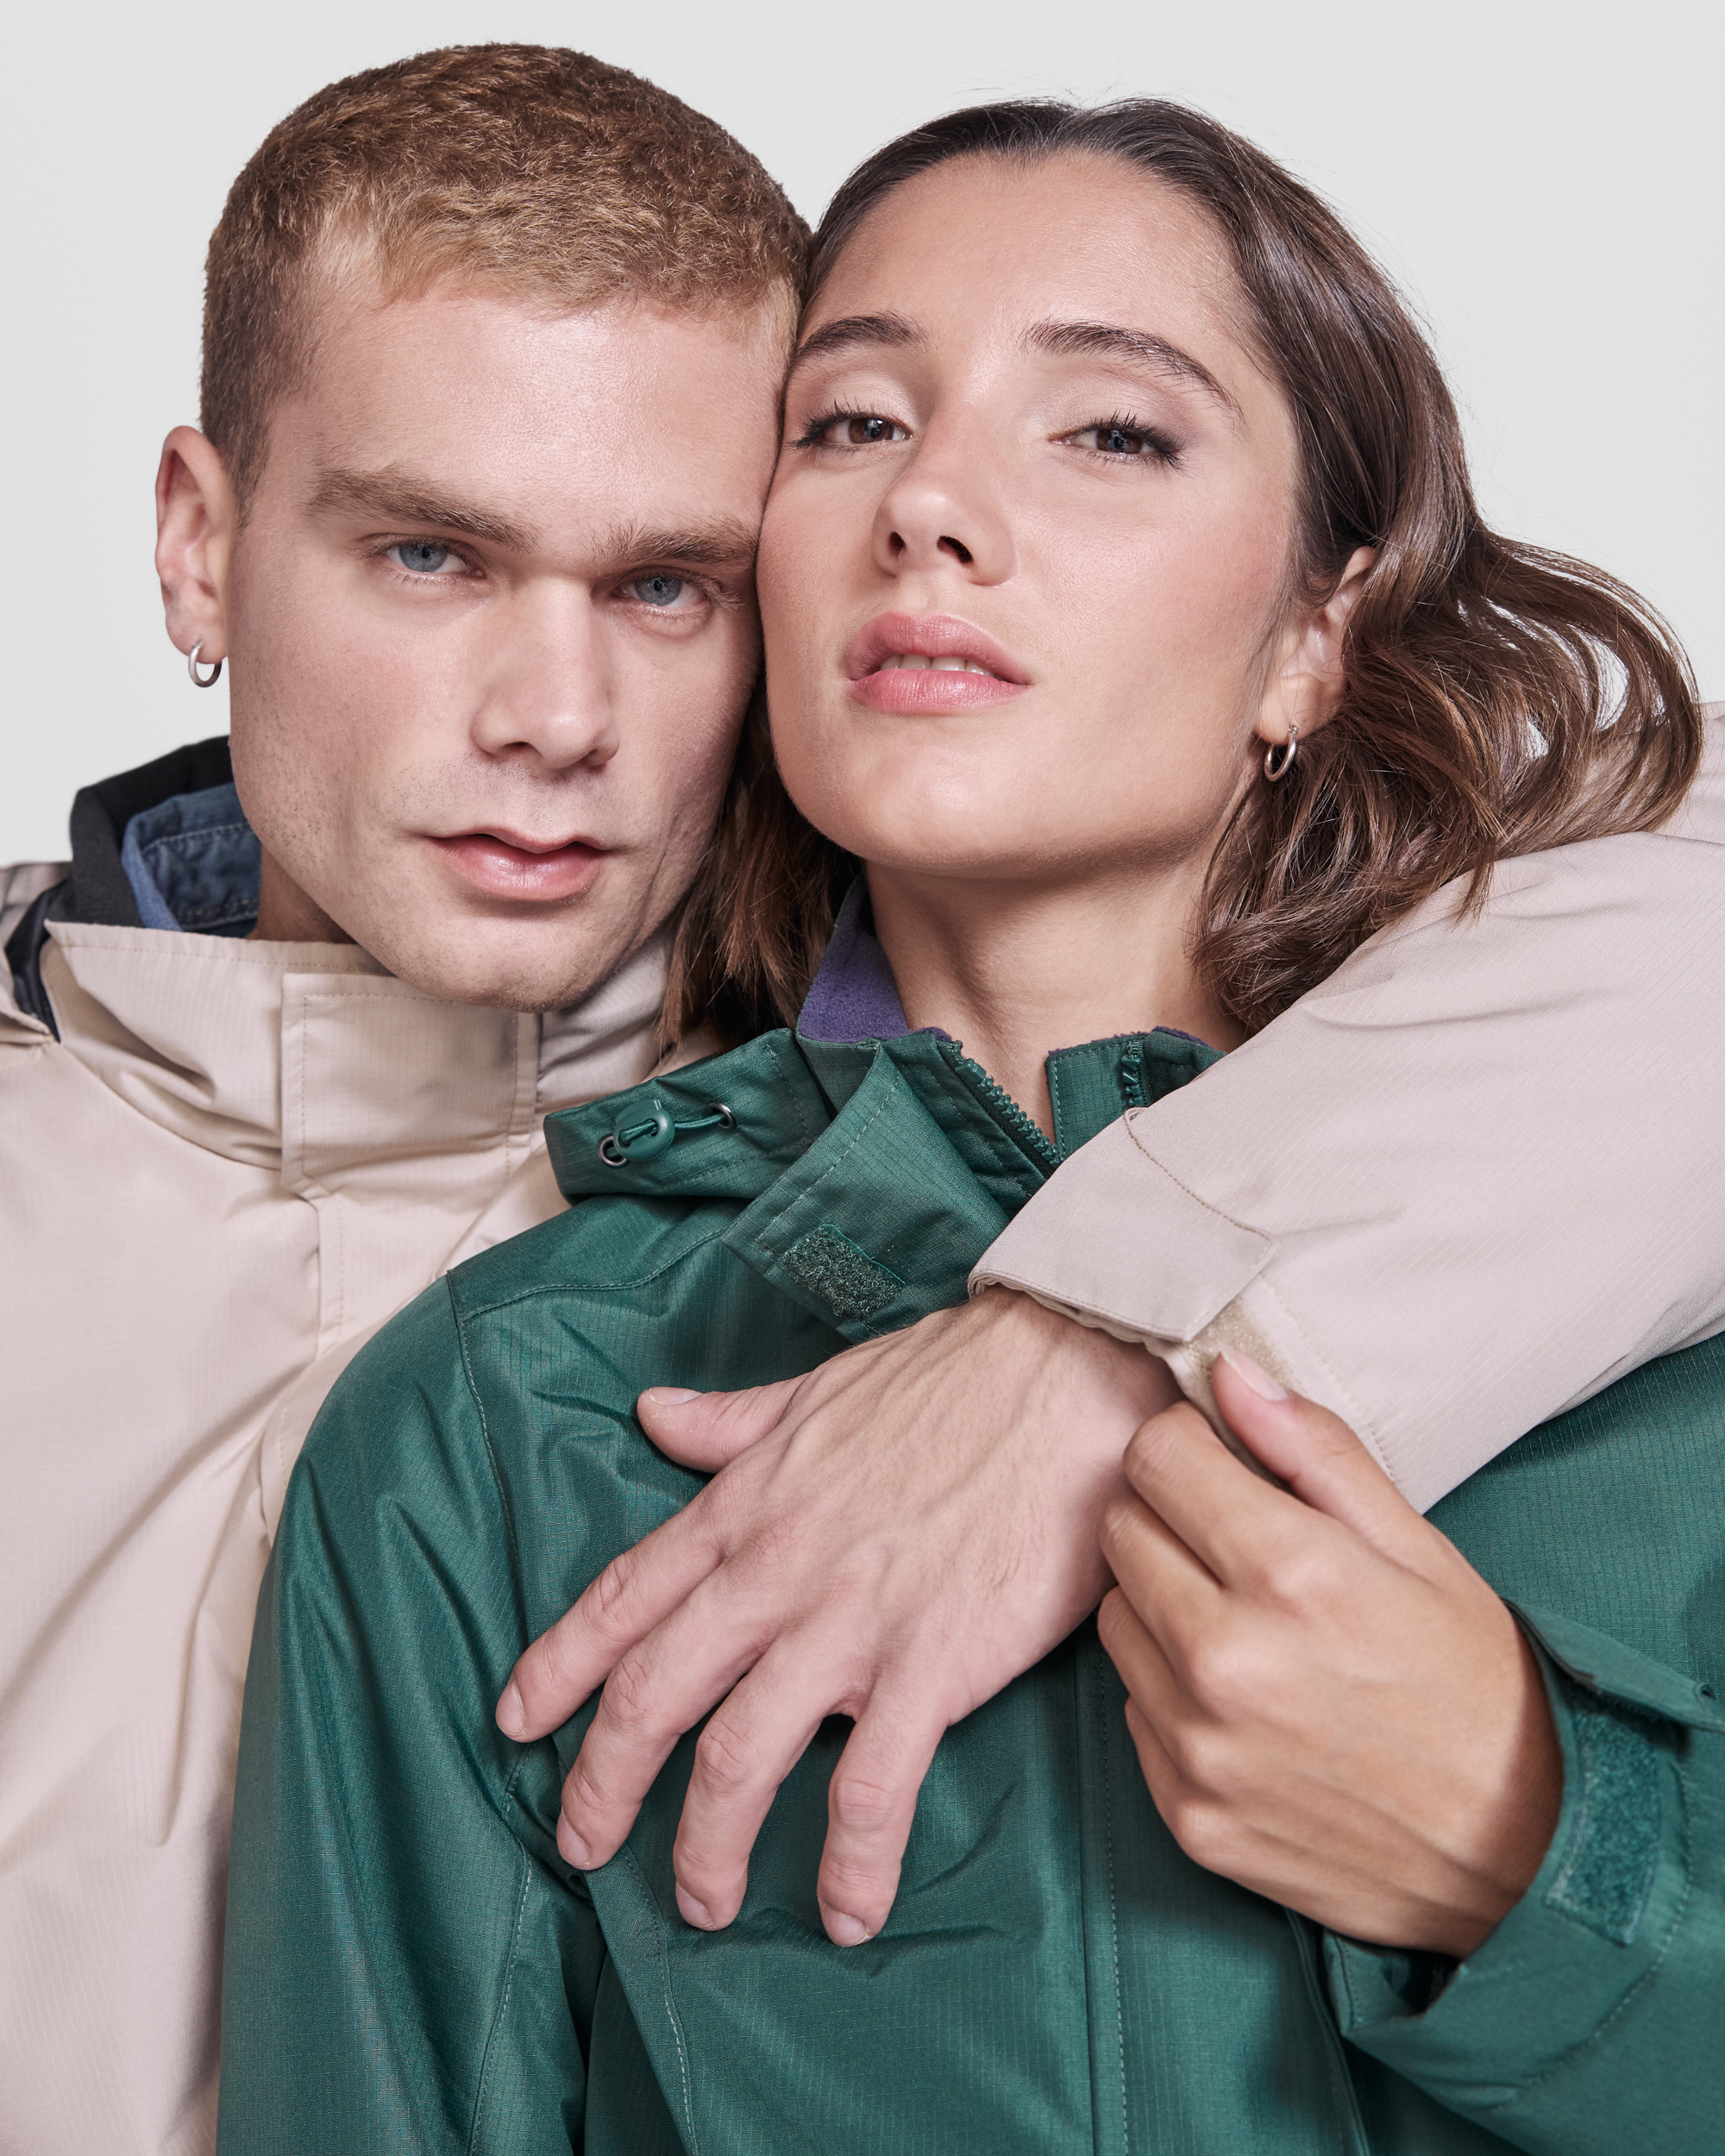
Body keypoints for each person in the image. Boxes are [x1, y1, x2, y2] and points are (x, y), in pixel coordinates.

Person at [218, 97, 1722, 2153]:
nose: (931, 501)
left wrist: (1535, 1848)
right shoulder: (508, 1411)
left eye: (1110, 430)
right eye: (850, 423)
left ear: (1315, 630)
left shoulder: (1655, 1299)